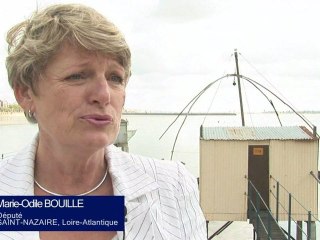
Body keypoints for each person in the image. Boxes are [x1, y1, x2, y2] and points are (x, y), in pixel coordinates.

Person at [1, 3, 206, 240]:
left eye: (115, 78)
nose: (104, 94)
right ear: (25, 93)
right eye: (77, 76)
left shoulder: (172, 187)